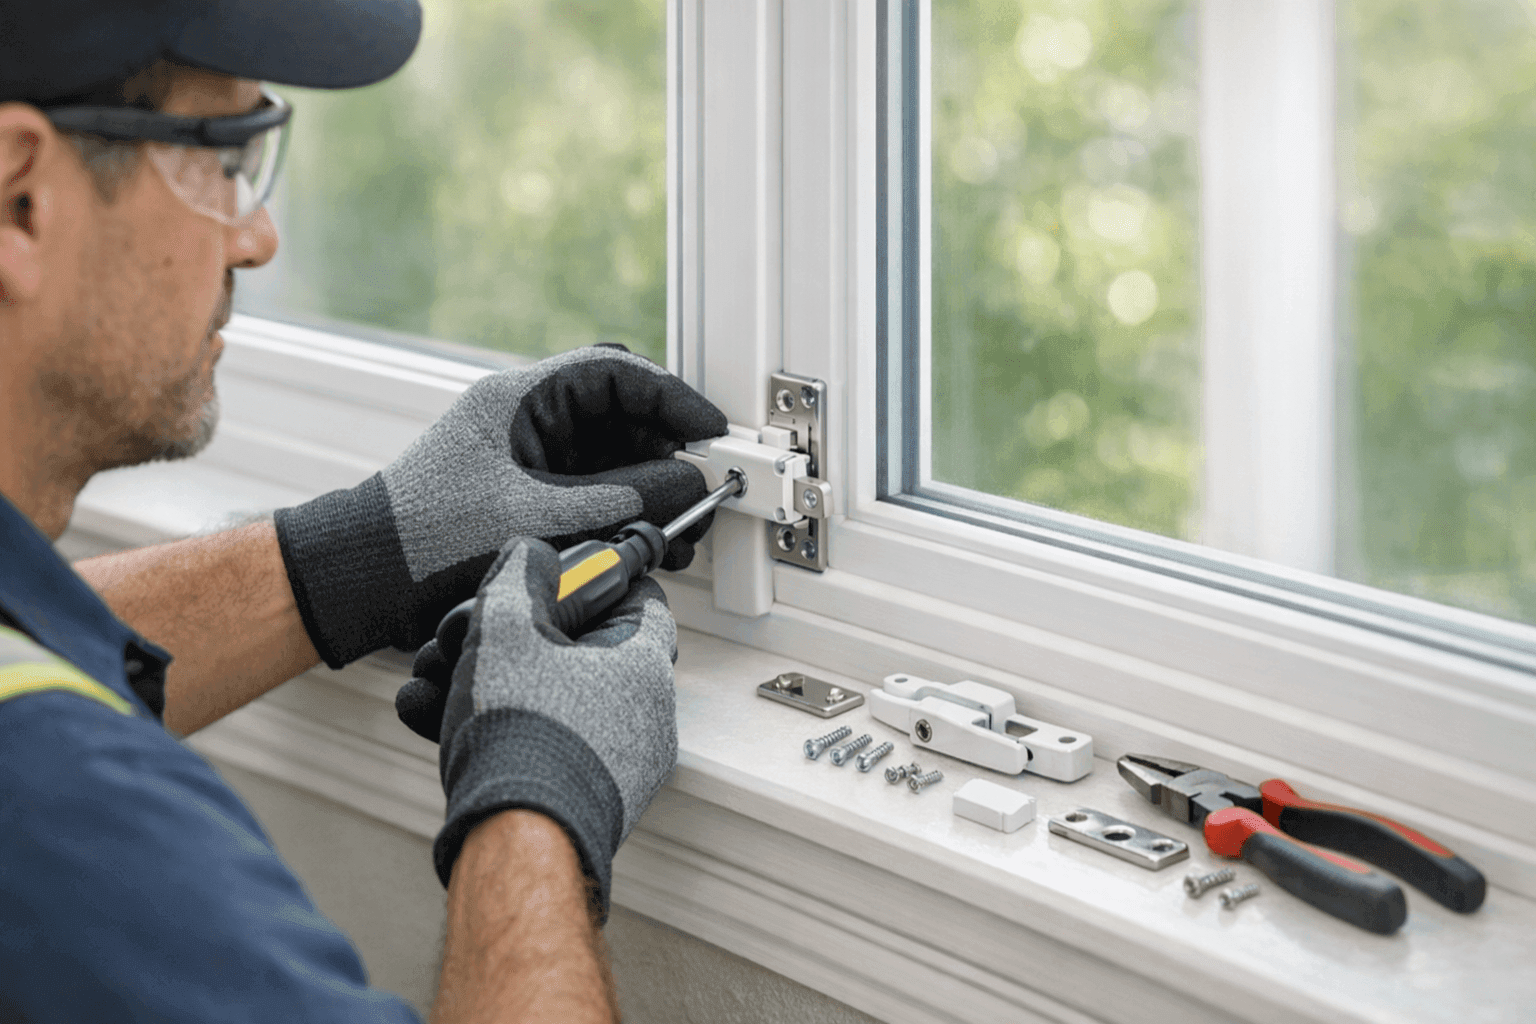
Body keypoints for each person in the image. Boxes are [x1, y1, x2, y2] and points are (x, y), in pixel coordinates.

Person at [0, 1, 727, 1020]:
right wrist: (536, 794)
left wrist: (369, 549)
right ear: (19, 199)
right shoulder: (67, 829)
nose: (257, 237)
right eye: (224, 158)